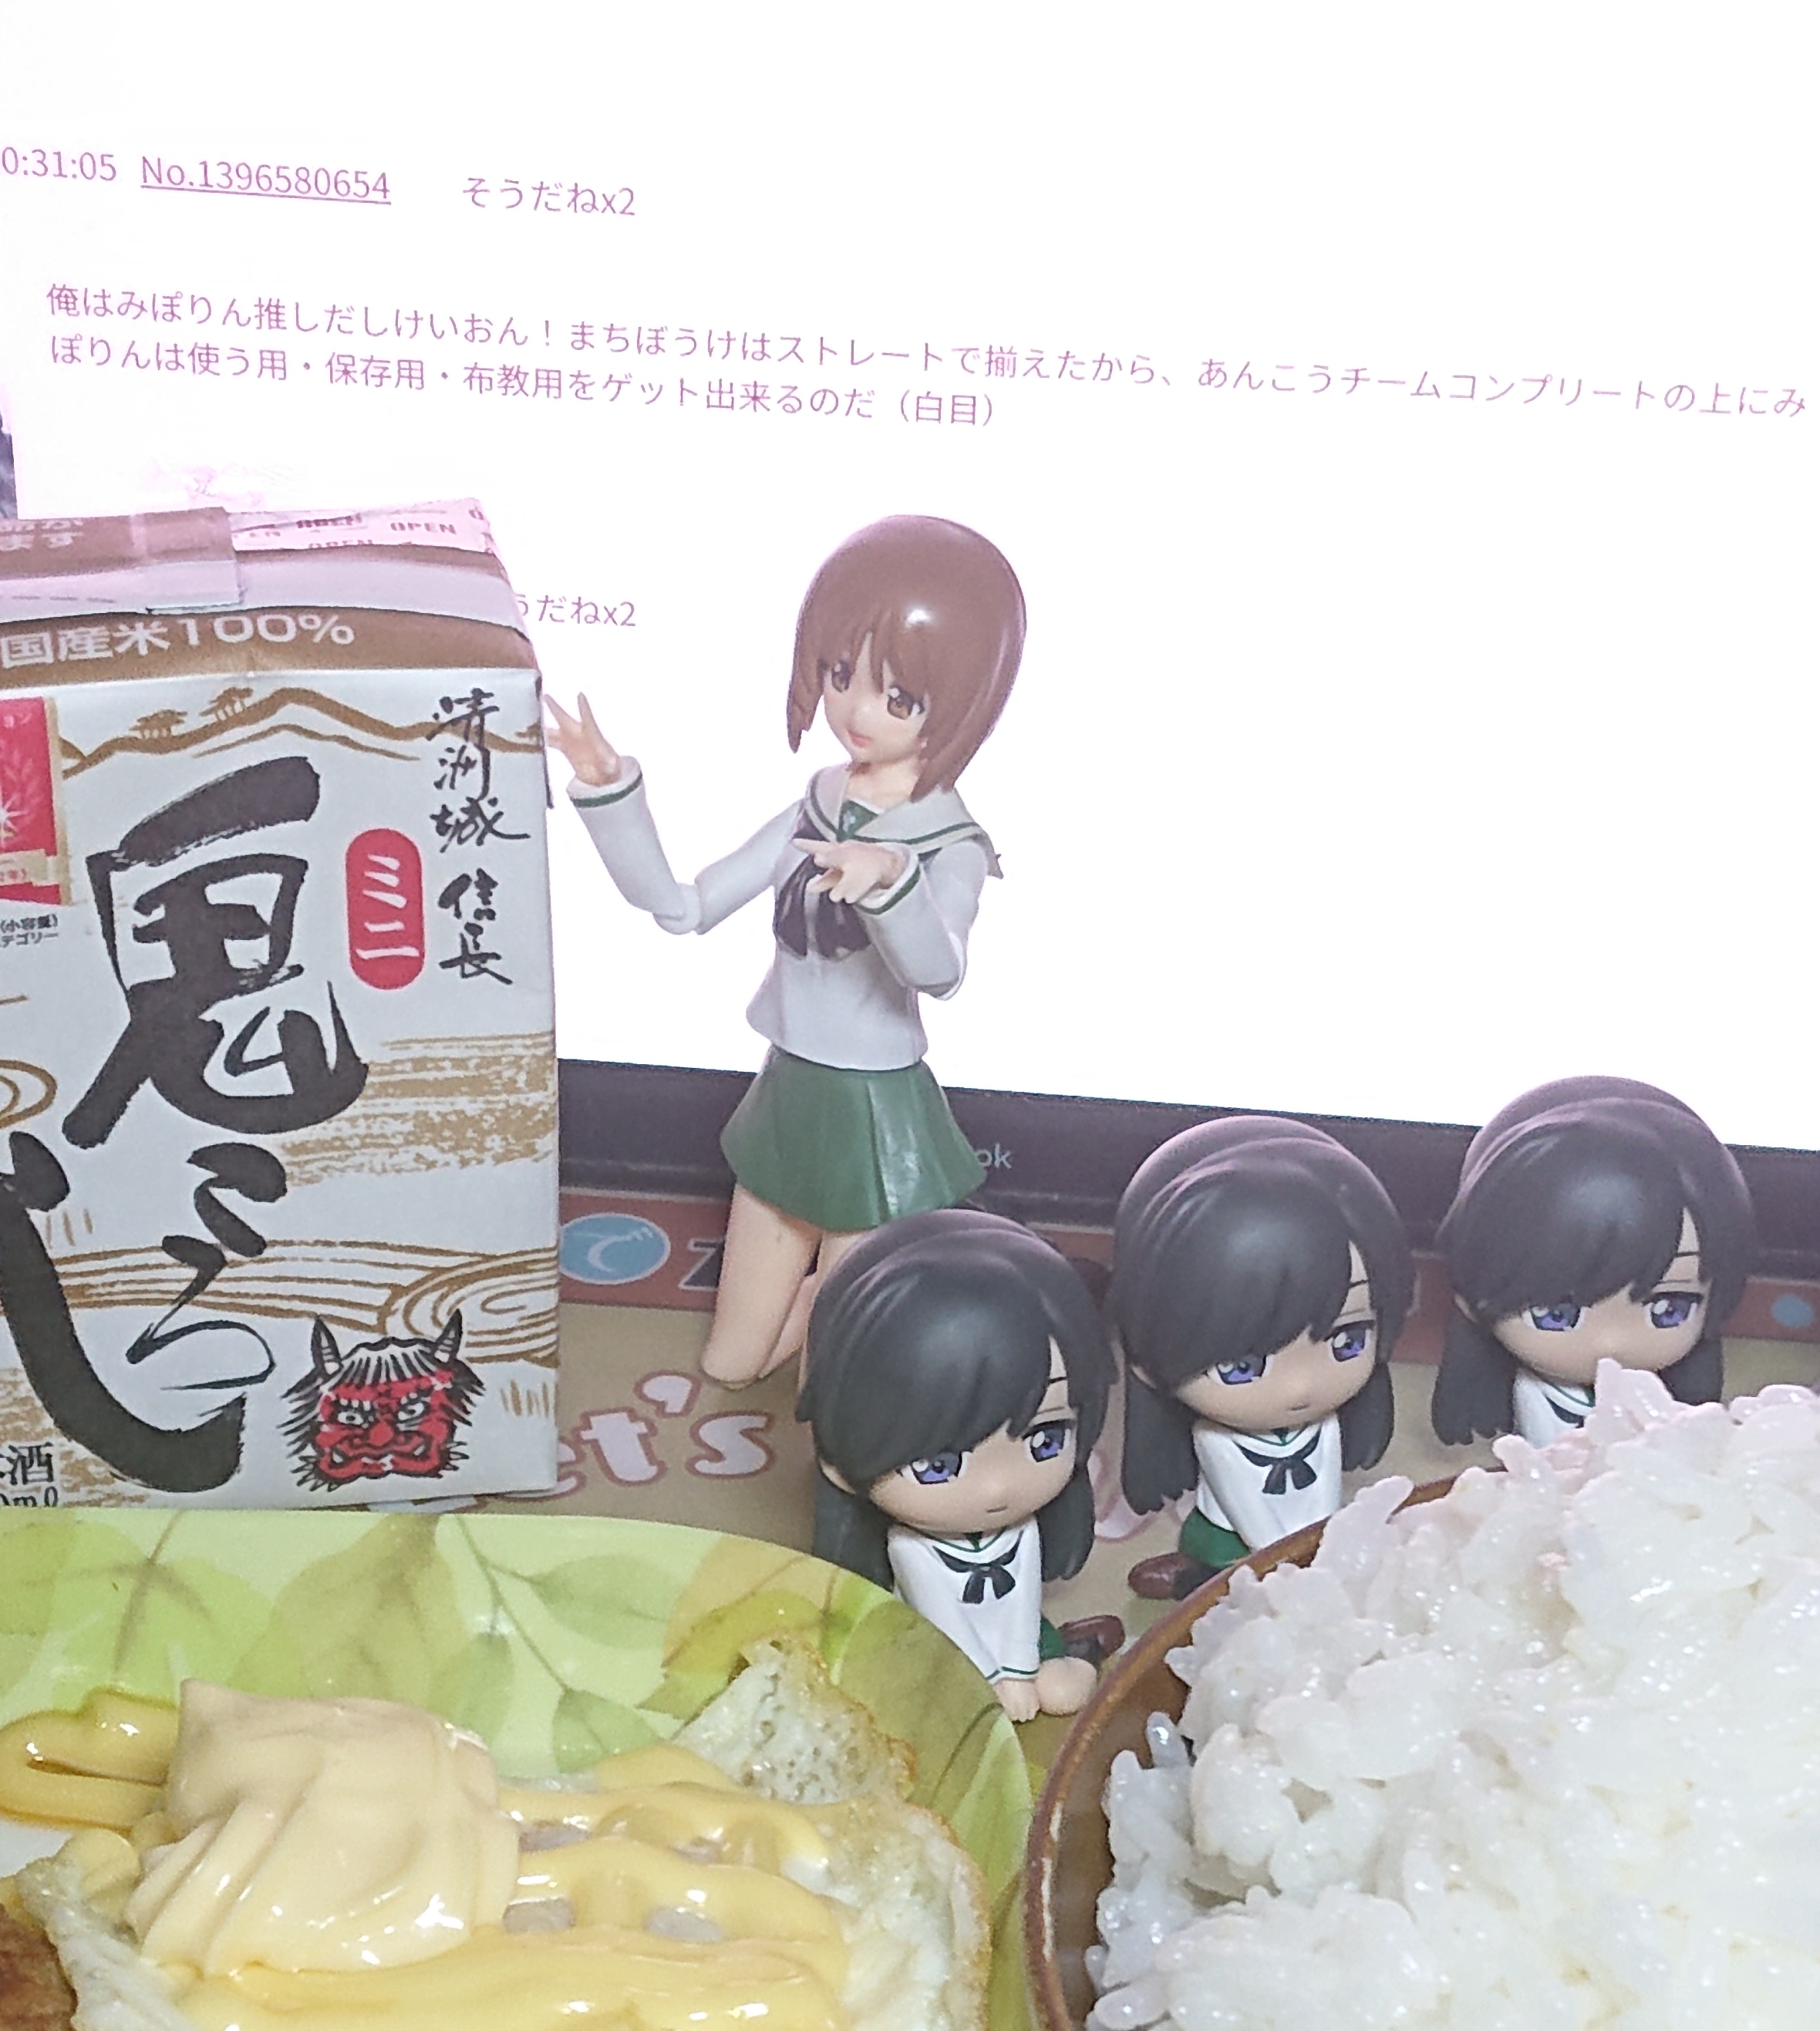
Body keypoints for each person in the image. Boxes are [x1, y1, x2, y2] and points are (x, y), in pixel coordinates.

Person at [544, 515, 1024, 1385]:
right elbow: (685, 906)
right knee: (732, 1364)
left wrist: (888, 881)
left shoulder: (950, 844)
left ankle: (882, 1293)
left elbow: (941, 971)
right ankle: (853, 1295)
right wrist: (609, 790)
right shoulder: (816, 803)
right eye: (841, 675)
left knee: (828, 1385)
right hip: (787, 1094)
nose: (856, 711)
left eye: (899, 697)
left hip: (876, 1120)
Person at [796, 1209, 1111, 1723]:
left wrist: (1016, 1672)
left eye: (1045, 1438)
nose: (996, 1487)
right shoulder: (910, 1547)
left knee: (1057, 1691)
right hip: (937, 1647)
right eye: (938, 1465)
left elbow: (1022, 1605)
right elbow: (943, 1622)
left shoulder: (1024, 1529)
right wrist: (986, 1681)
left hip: (1016, 1641)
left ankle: (1075, 1657)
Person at [1112, 1115, 1414, 1598]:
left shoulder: (1325, 1425)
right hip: (1234, 1540)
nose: (1300, 1387)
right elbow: (1248, 1511)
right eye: (1242, 1366)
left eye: (1346, 1341)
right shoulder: (1217, 1439)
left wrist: (1322, 1548)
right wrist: (1288, 1563)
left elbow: (1324, 1495)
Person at [1430, 1075, 1756, 1450]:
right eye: (1556, 1315)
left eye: (1669, 1309)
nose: (1611, 1344)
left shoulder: (1663, 1403)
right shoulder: (1533, 1390)